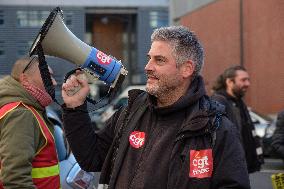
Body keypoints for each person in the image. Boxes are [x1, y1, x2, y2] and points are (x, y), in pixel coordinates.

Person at [62, 26, 250, 189]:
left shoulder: (216, 128)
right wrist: (75, 108)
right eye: (149, 58)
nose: (147, 67)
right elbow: (92, 158)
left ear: (187, 69)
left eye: (159, 60)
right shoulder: (130, 112)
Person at [0, 56, 60, 188]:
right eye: (47, 76)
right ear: (24, 78)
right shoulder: (21, 114)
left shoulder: (23, 109)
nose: (54, 83)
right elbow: (16, 179)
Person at [211, 65, 264, 173]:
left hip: (240, 169)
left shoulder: (239, 102)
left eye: (248, 80)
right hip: (228, 171)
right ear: (229, 82)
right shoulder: (218, 102)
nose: (248, 84)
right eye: (243, 80)